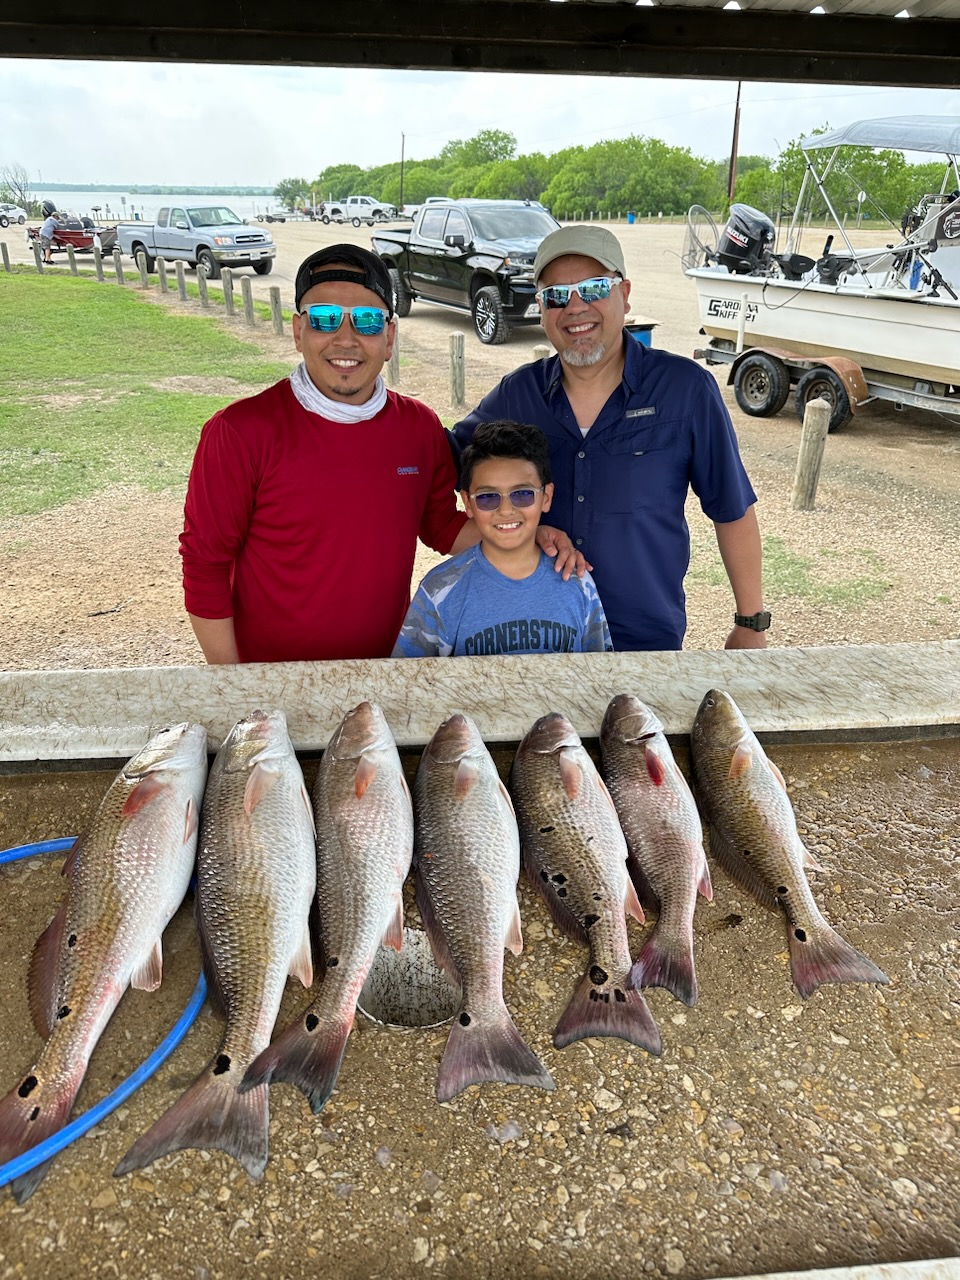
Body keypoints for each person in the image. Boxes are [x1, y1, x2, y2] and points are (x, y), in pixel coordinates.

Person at [179, 245, 578, 664]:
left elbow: (441, 527)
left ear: (389, 338)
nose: (346, 338)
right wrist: (232, 682)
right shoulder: (239, 432)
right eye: (324, 318)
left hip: (382, 672)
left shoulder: (419, 427)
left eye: (367, 321)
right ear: (298, 331)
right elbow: (205, 565)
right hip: (274, 679)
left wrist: (526, 534)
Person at [450, 225, 769, 654]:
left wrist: (751, 622)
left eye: (594, 287)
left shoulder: (686, 389)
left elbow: (731, 508)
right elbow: (444, 464)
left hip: (643, 641)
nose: (575, 308)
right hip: (536, 638)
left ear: (625, 293)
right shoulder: (517, 395)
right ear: (541, 309)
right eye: (556, 295)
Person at [392, 420, 612, 657]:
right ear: (468, 503)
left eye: (523, 494)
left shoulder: (577, 583)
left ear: (546, 497)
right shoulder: (439, 590)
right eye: (488, 497)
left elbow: (599, 675)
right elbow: (410, 683)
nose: (506, 510)